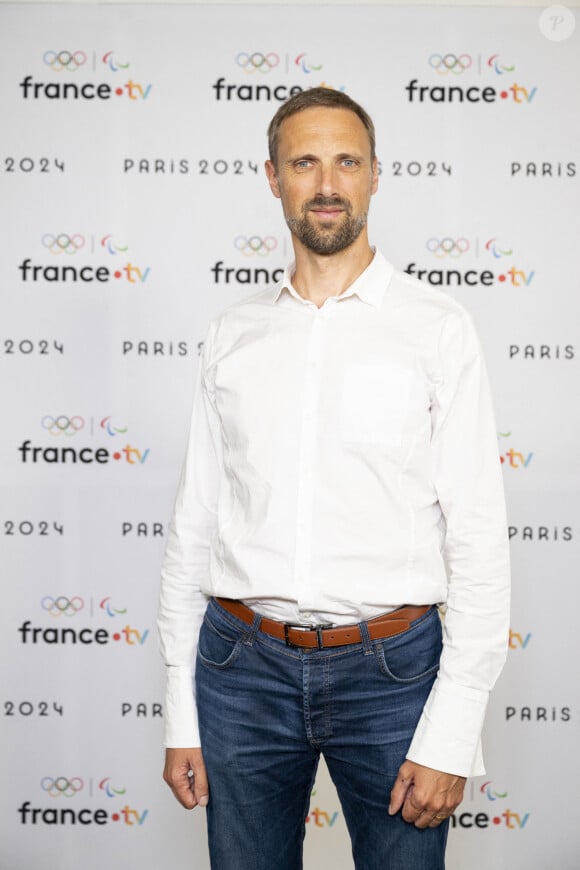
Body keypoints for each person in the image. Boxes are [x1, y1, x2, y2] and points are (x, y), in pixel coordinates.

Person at [158, 87, 510, 869]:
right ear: (273, 177)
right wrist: (181, 713)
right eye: (304, 162)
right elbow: (196, 526)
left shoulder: (438, 330)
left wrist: (453, 733)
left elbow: (479, 539)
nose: (327, 183)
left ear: (376, 176)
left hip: (393, 676)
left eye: (347, 161)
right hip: (240, 670)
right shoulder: (232, 335)